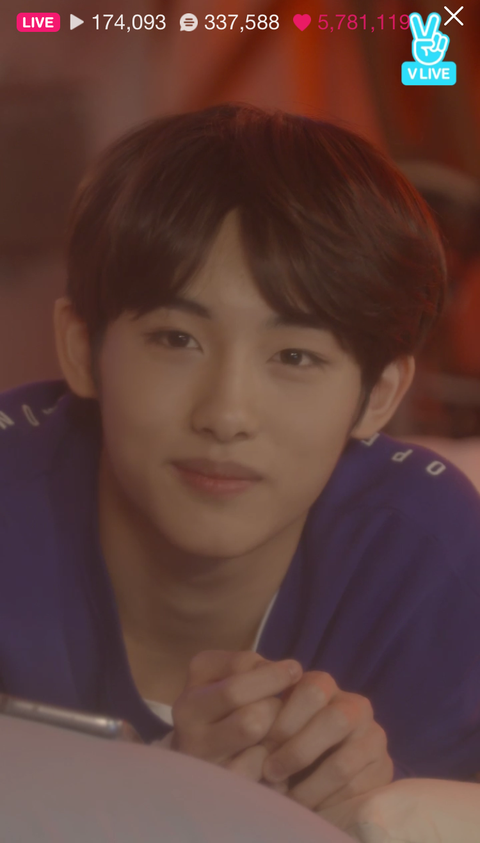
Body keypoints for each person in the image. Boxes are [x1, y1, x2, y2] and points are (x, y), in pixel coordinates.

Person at [1, 104, 480, 816]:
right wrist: (161, 798)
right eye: (176, 340)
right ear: (82, 350)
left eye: (295, 356)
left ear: (378, 396)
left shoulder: (429, 558)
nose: (226, 415)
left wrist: (376, 810)